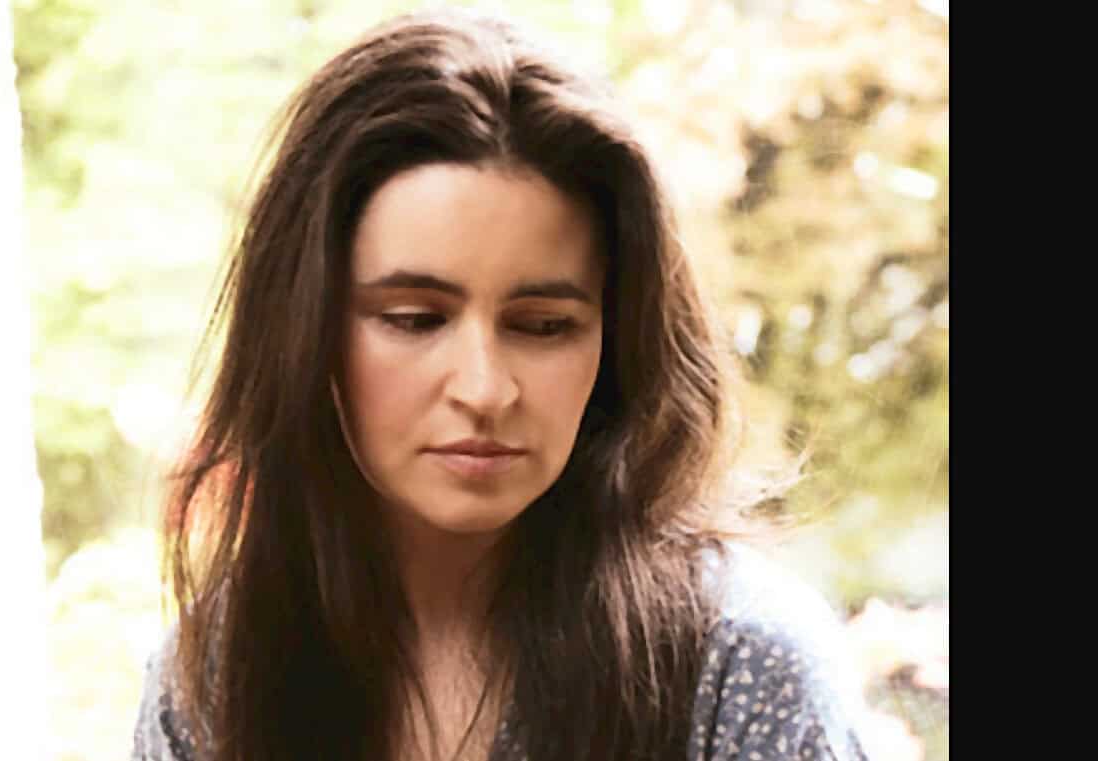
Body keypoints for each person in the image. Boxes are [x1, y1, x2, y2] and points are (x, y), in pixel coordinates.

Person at [131, 8, 872, 761]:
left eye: (543, 325)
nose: (484, 390)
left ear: (613, 343)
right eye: (416, 318)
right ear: (306, 331)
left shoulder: (742, 665)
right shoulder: (217, 674)